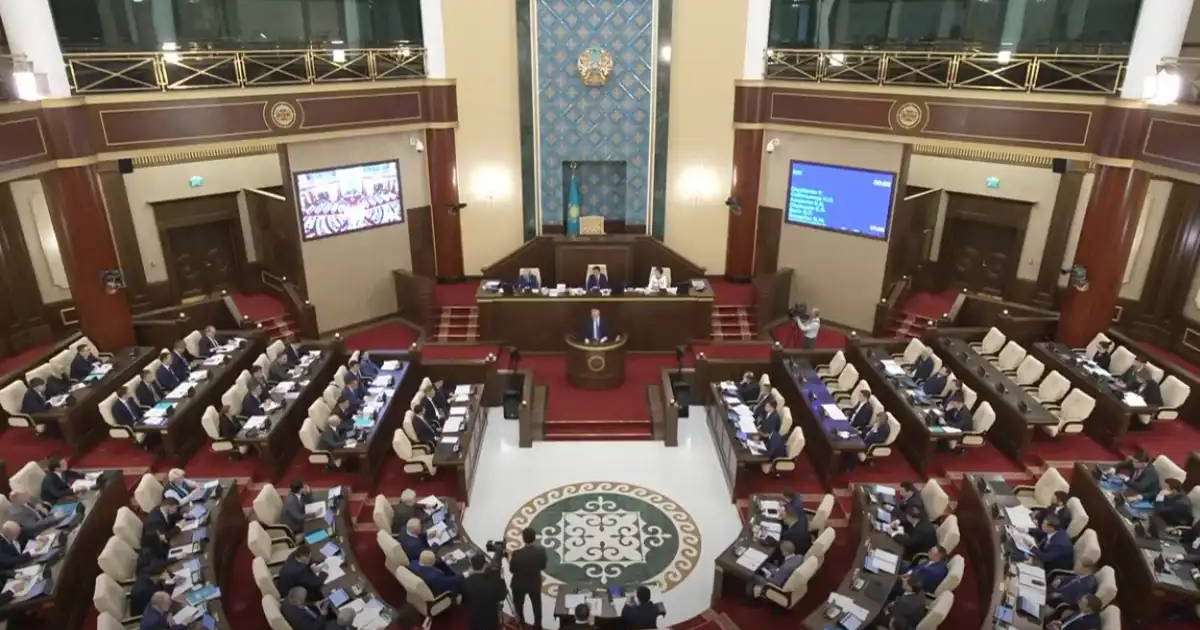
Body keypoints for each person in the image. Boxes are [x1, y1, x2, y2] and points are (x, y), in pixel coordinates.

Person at [510, 527, 547, 630]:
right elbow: (543, 566)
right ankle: (538, 626)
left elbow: (512, 569)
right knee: (537, 606)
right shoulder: (541, 551)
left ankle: (521, 625)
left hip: (519, 584)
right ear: (534, 538)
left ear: (523, 538)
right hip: (534, 583)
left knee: (518, 606)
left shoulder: (516, 554)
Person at [463, 552, 507, 630]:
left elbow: (464, 599)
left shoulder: (466, 582)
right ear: (485, 565)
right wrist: (502, 578)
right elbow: (502, 596)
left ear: (471, 566)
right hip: (490, 619)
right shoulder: (492, 582)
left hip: (474, 618)